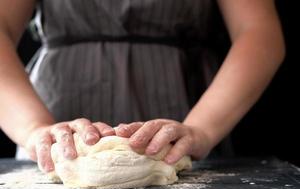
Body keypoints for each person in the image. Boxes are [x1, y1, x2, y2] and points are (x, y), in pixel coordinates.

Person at [0, 0, 285, 173]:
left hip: (190, 109)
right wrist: (33, 129)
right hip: (53, 119)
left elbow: (258, 31)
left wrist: (202, 129)